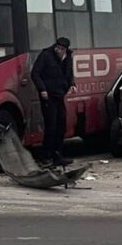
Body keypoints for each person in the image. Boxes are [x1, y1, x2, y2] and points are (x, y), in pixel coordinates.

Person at [31, 36, 76, 166]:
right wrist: (42, 89)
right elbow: (35, 73)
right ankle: (46, 156)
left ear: (66, 50)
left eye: (62, 49)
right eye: (58, 48)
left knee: (61, 125)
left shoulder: (68, 57)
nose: (59, 50)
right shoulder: (46, 55)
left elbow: (69, 73)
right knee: (51, 126)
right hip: (48, 96)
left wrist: (72, 84)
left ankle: (57, 155)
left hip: (60, 94)